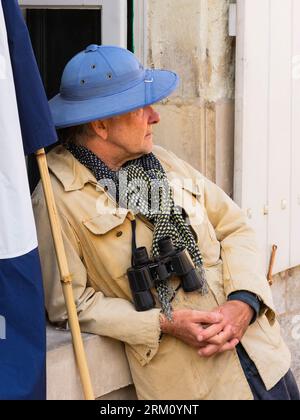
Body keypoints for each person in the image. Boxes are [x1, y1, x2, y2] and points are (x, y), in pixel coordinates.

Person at [32, 45, 299, 400]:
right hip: (190, 385)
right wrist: (161, 322)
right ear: (101, 125)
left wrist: (244, 302)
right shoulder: (56, 198)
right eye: (140, 108)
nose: (155, 116)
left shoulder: (162, 160)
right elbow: (70, 303)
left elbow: (233, 226)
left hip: (263, 362)